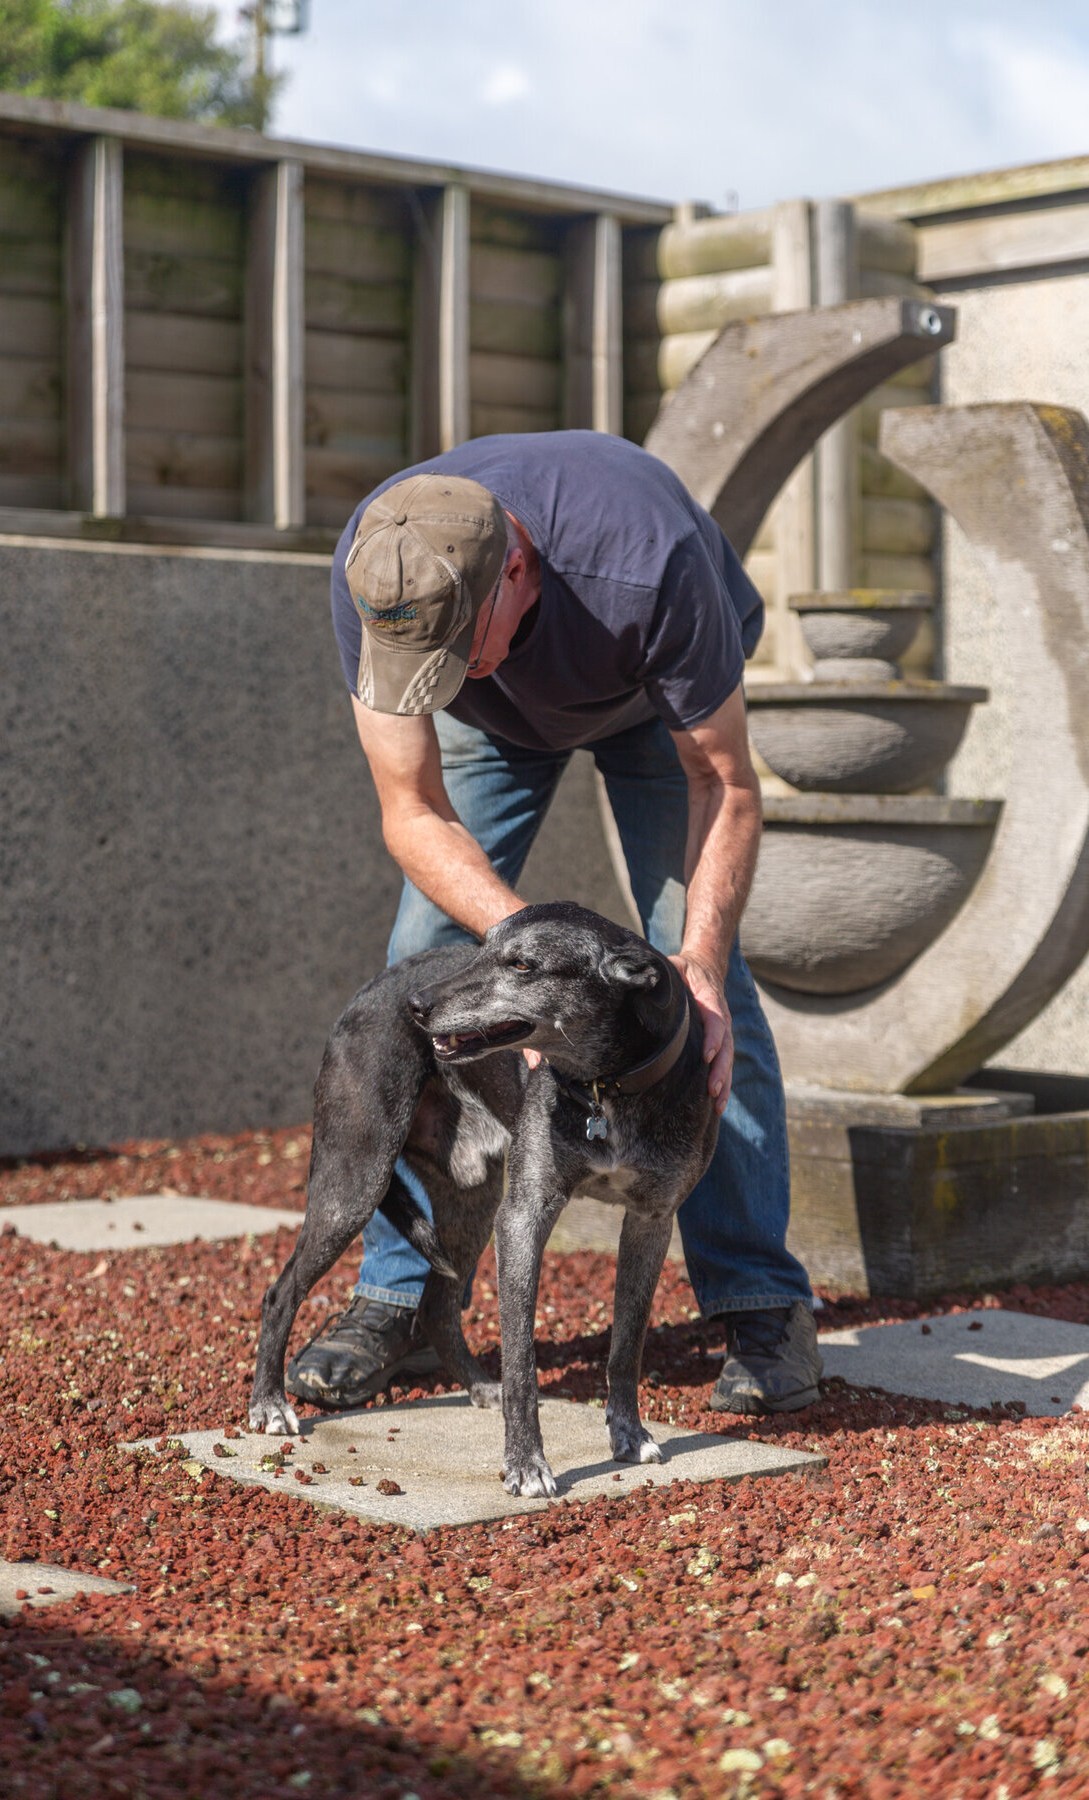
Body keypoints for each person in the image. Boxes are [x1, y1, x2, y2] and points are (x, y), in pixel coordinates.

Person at [284, 430, 821, 1417]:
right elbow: (411, 811)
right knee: (418, 970)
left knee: (695, 990)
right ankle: (395, 1299)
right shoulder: (381, 561)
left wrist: (694, 956)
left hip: (660, 704)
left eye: (454, 650)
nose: (437, 678)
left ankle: (762, 1304)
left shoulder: (643, 562)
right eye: (421, 662)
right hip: (507, 731)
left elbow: (728, 782)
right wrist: (532, 958)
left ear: (517, 569)